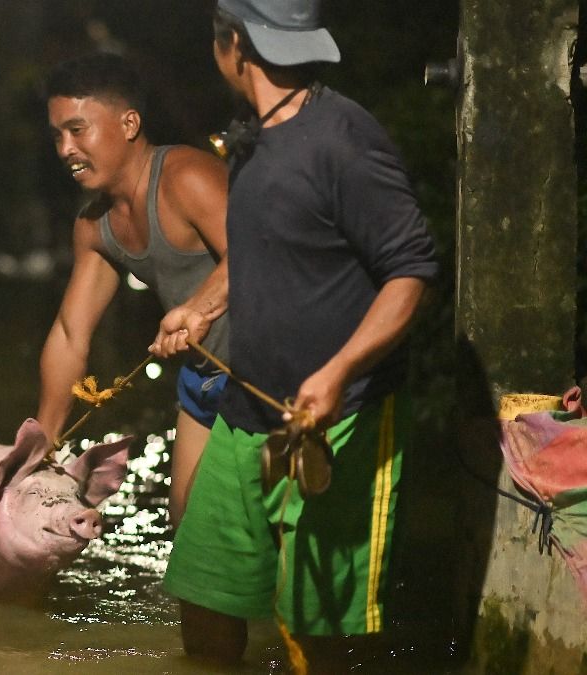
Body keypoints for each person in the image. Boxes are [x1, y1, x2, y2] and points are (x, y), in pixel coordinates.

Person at [159, 0, 439, 665]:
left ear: (233, 46)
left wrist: (338, 371)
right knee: (206, 601)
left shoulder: (343, 136)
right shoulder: (255, 137)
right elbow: (263, 249)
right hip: (244, 409)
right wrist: (201, 308)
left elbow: (412, 269)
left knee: (317, 629)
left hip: (336, 418)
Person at [37, 52, 229, 528]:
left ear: (129, 123)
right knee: (187, 544)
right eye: (57, 135)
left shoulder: (188, 177)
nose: (65, 149)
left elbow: (258, 255)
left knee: (245, 551)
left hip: (266, 377)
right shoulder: (93, 225)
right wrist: (42, 444)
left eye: (78, 130)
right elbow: (69, 334)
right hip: (200, 381)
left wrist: (195, 309)